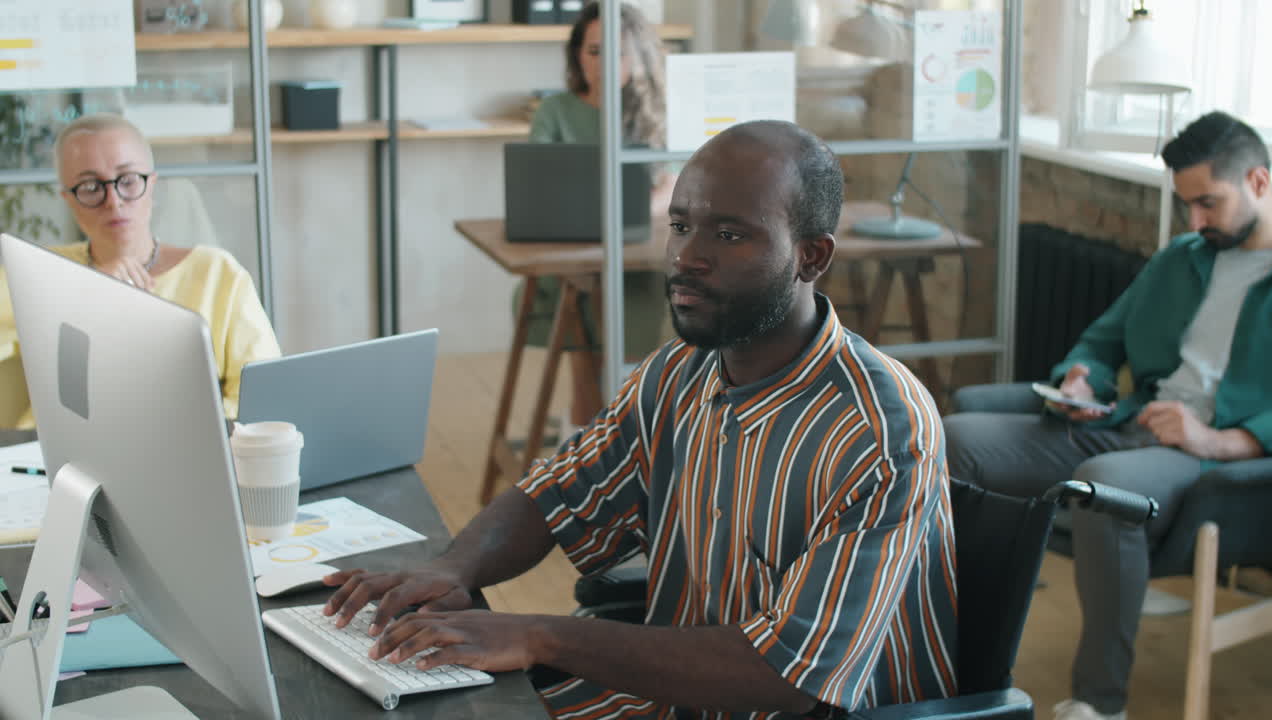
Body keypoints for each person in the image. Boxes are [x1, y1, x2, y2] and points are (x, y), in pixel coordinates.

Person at [323, 120, 958, 718]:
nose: (687, 256)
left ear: (812, 257)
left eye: (730, 235)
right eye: (681, 226)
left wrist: (540, 634)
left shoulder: (879, 432)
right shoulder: (679, 371)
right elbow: (556, 495)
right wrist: (447, 572)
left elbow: (787, 675)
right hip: (668, 699)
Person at [943, 111, 1272, 720]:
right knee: (955, 440)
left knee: (1109, 492)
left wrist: (1224, 438)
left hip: (1203, 461)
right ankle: (944, 651)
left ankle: (1098, 704)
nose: (1195, 222)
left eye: (1208, 203)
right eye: (1187, 206)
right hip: (1125, 423)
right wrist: (1081, 379)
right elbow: (1102, 342)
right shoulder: (1182, 258)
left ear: (1258, 182)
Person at [0, 113, 281, 427]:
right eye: (91, 186)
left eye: (128, 180)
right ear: (69, 199)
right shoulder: (38, 270)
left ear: (152, 184)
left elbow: (262, 395)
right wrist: (87, 291)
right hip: (51, 458)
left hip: (188, 448)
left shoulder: (219, 274)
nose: (114, 201)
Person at [523, 0, 673, 431]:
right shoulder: (556, 112)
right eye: (594, 51)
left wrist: (634, 209)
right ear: (577, 56)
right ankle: (587, 444)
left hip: (636, 262)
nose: (605, 62)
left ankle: (621, 437)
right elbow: (537, 185)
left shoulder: (653, 113)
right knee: (583, 302)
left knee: (619, 302)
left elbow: (674, 184)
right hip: (572, 260)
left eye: (619, 51)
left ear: (638, 56)